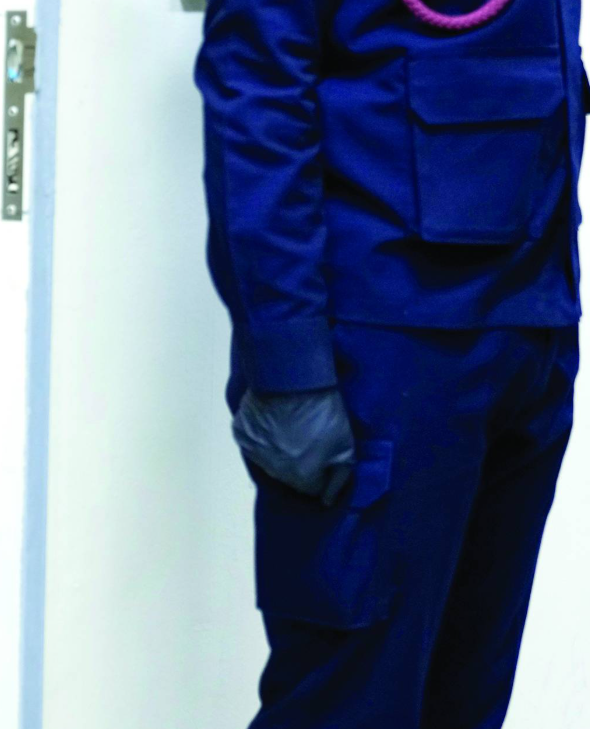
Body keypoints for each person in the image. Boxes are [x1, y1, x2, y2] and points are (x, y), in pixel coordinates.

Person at [196, 1, 585, 727]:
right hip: (381, 349)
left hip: (530, 323)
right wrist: (288, 364)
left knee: (465, 700)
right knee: (346, 705)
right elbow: (255, 89)